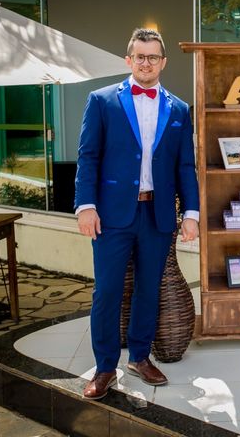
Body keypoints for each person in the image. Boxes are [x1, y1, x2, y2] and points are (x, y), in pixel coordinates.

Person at [75, 28, 199, 400]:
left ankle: (140, 356)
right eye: (140, 57)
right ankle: (105, 367)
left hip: (158, 215)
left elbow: (184, 167)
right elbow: (89, 156)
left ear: (163, 62)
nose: (147, 63)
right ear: (129, 60)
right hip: (111, 216)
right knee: (108, 292)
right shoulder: (101, 101)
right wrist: (86, 206)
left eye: (153, 57)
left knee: (149, 289)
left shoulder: (179, 109)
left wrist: (190, 212)